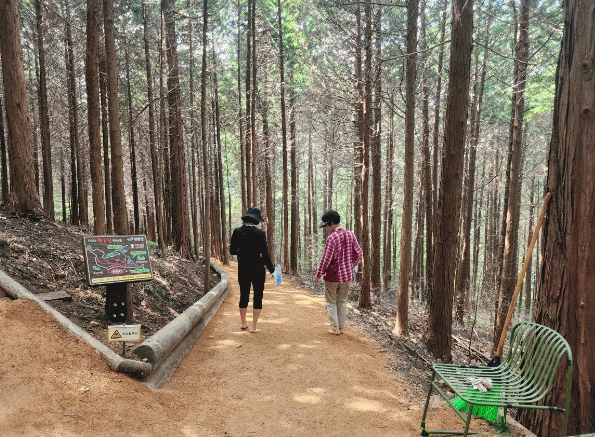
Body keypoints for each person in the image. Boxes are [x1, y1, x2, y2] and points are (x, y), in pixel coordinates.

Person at [314, 210, 362, 335]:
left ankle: (335, 328)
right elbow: (359, 253)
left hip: (332, 275)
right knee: (342, 301)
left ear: (331, 223)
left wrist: (318, 274)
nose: (326, 228)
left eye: (326, 225)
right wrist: (351, 265)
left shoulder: (332, 237)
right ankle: (341, 328)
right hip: (347, 276)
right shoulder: (351, 234)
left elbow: (326, 259)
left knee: (331, 301)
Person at [229, 207, 275, 333]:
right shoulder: (260, 234)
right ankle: (254, 327)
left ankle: (243, 323)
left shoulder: (237, 231)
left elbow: (232, 251)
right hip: (258, 269)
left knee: (244, 295)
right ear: (256, 221)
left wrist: (242, 253)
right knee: (258, 296)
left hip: (243, 268)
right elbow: (265, 255)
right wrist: (272, 271)